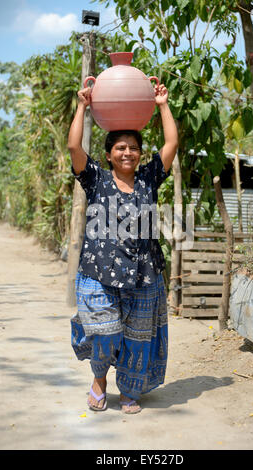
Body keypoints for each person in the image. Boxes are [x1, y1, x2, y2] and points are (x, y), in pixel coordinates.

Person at [68, 82, 178, 414]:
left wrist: (162, 104)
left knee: (137, 339)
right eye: (120, 147)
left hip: (144, 276)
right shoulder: (96, 179)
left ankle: (130, 389)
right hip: (99, 273)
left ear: (140, 154)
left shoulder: (150, 178)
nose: (127, 152)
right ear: (108, 154)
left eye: (133, 147)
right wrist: (83, 107)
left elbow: (171, 142)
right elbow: (74, 145)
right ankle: (99, 379)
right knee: (104, 334)